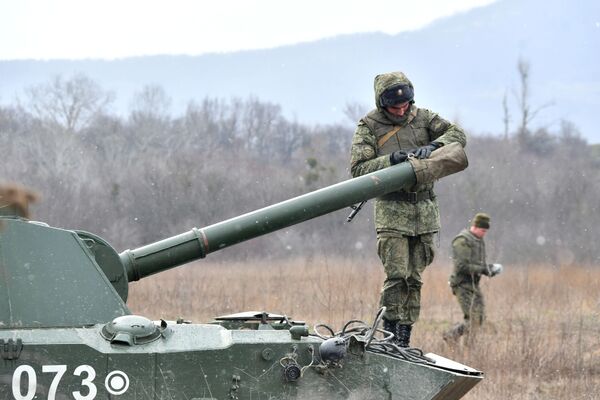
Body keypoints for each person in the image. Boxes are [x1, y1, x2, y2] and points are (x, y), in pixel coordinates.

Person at [350, 71, 466, 347]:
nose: (402, 110)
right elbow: (358, 170)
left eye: (406, 105)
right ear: (381, 103)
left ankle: (404, 340)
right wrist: (391, 160)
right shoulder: (369, 126)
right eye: (394, 107)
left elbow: (458, 134)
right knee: (397, 277)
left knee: (414, 279)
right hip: (391, 210)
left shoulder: (424, 117)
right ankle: (389, 338)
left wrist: (434, 146)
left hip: (425, 211)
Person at [443, 213, 503, 343]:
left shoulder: (478, 241)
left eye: (486, 231)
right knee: (473, 319)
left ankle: (456, 338)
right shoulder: (462, 241)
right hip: (462, 285)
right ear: (475, 226)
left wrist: (490, 269)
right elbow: (462, 266)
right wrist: (484, 269)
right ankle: (456, 339)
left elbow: (477, 264)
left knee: (480, 318)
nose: (484, 234)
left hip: (474, 284)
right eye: (482, 230)